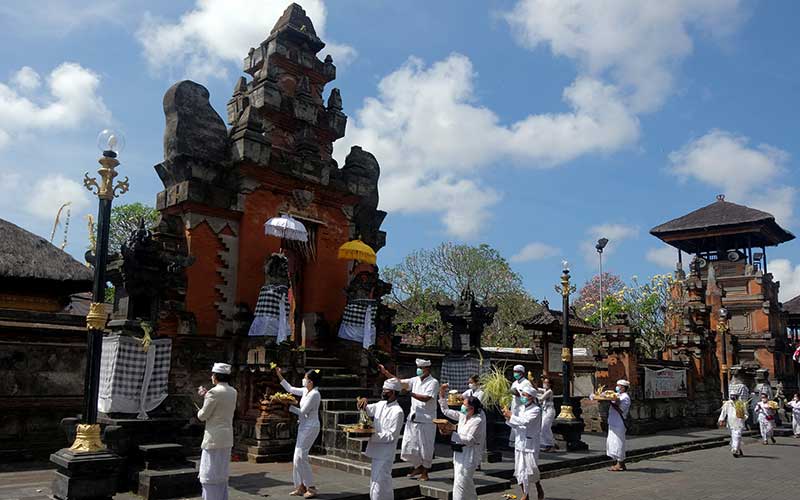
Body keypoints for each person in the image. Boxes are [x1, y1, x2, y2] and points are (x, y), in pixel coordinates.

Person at [379, 359, 439, 481]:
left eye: (421, 368)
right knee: (409, 446)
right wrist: (386, 372)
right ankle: (418, 466)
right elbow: (399, 382)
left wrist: (410, 394)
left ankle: (425, 472)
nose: (419, 370)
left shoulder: (433, 382)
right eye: (418, 367)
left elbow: (426, 398)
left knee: (425, 448)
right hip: (413, 418)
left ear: (427, 369)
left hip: (427, 420)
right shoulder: (414, 380)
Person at [276, 367, 322, 498]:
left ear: (311, 382)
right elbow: (290, 389)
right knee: (297, 458)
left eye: (306, 378)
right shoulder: (305, 391)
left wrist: (288, 405)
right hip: (303, 426)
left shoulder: (314, 394)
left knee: (301, 457)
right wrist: (279, 375)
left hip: (311, 427)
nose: (304, 380)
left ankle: (311, 487)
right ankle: (300, 486)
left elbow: (302, 411)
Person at [358, 378, 405, 500]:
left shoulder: (398, 412)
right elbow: (367, 410)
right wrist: (363, 402)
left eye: (386, 390)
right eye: (383, 390)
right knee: (379, 483)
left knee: (379, 486)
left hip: (385, 453)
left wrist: (371, 435)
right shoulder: (381, 404)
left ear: (393, 392)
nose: (383, 392)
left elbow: (391, 435)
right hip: (376, 451)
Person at [197, 363, 238, 500]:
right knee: (221, 474)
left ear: (216, 376)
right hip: (226, 438)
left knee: (209, 474)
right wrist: (207, 396)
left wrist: (200, 408)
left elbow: (203, 415)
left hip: (213, 438)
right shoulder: (233, 391)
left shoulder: (214, 392)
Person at [439, 385, 486, 500]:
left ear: (472, 408)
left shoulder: (477, 420)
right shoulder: (462, 416)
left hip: (470, 454)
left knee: (461, 482)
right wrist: (441, 395)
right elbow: (445, 411)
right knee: (464, 481)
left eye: (464, 405)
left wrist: (452, 430)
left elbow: (470, 439)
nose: (462, 407)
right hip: (458, 453)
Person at [503, 380, 544, 500]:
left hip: (530, 444)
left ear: (531, 397)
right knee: (520, 470)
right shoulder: (520, 409)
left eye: (525, 396)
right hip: (519, 442)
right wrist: (507, 418)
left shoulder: (536, 410)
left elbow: (524, 421)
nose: (523, 398)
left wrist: (511, 416)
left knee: (531, 469)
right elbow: (516, 424)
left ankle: (538, 485)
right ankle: (525, 494)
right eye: (522, 395)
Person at [606, 379, 631, 471]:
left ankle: (621, 463)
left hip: (619, 422)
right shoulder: (617, 395)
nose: (617, 387)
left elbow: (621, 410)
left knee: (619, 442)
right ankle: (618, 462)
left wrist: (611, 402)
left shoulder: (625, 397)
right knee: (613, 442)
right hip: (613, 422)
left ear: (623, 388)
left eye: (619, 386)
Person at [718, 389, 747, 457]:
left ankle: (734, 449)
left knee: (737, 435)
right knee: (734, 437)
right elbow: (723, 412)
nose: (733, 397)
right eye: (732, 396)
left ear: (737, 396)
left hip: (739, 423)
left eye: (734, 396)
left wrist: (743, 417)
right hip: (731, 423)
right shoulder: (727, 404)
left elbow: (746, 414)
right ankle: (738, 449)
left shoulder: (741, 403)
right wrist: (721, 420)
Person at [508, 364, 526, 447]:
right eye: (514, 372)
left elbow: (527, 398)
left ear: (521, 373)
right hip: (514, 406)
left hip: (521, 407)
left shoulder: (526, 383)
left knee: (519, 425)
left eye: (517, 372)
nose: (515, 374)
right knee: (513, 425)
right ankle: (513, 443)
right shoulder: (514, 383)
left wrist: (519, 395)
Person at [537, 377, 556, 452]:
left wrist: (533, 397)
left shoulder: (550, 392)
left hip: (549, 411)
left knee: (545, 427)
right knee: (543, 428)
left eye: (546, 383)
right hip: (544, 411)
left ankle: (551, 444)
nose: (545, 384)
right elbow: (537, 389)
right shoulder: (545, 390)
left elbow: (541, 398)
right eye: (544, 382)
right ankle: (546, 444)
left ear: (550, 384)